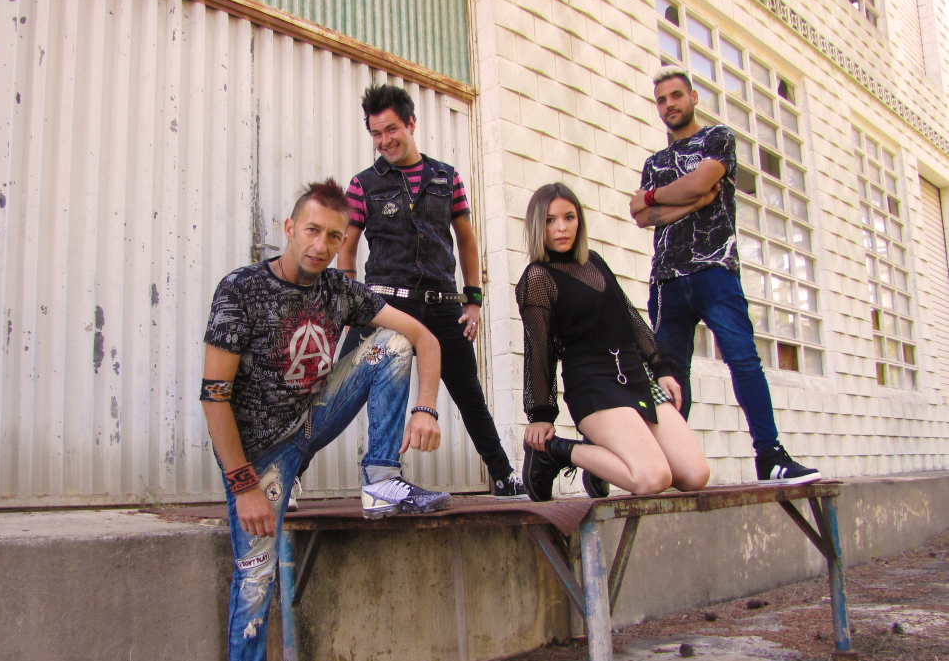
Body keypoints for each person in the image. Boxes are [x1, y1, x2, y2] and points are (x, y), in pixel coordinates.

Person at [201, 179, 448, 661]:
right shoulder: (241, 289)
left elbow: (425, 337)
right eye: (312, 230)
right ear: (289, 229)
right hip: (262, 455)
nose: (320, 245)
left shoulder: (339, 290)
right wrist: (243, 485)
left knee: (391, 343)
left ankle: (382, 479)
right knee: (255, 579)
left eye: (334, 236)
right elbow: (214, 396)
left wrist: (425, 408)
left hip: (310, 419)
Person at [629, 65, 820, 485]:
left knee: (743, 361)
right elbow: (640, 215)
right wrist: (690, 202)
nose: (669, 105)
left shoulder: (718, 138)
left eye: (676, 96)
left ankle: (769, 455)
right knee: (669, 375)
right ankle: (663, 461)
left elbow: (701, 182)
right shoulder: (654, 162)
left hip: (715, 272)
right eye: (661, 100)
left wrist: (659, 197)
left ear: (692, 97)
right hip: (667, 280)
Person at [335, 83, 525, 497]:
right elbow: (346, 248)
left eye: (391, 129)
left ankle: (503, 474)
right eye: (376, 133)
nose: (384, 141)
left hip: (441, 304)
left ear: (411, 124)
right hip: (383, 304)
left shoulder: (447, 177)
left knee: (469, 392)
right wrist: (350, 302)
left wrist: (473, 300)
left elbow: (466, 239)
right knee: (340, 390)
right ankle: (292, 471)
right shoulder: (363, 184)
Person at [517, 182, 711, 501]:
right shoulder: (538, 277)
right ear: (538, 225)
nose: (561, 228)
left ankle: (604, 454)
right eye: (550, 220)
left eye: (569, 217)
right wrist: (541, 415)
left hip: (636, 378)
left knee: (695, 475)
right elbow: (540, 350)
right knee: (653, 478)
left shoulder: (593, 260)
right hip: (593, 386)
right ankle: (556, 452)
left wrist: (661, 367)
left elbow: (628, 316)